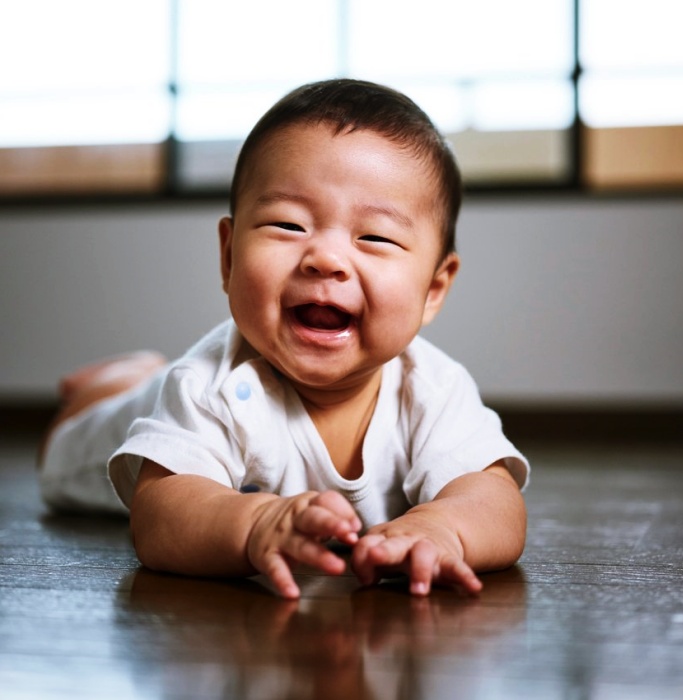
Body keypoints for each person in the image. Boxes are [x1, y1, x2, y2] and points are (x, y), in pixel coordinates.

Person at [40, 79, 529, 600]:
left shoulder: (432, 388)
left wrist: (443, 527)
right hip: (104, 440)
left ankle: (140, 371)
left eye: (375, 237)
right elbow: (160, 517)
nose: (326, 258)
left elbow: (493, 497)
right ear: (228, 257)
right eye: (288, 224)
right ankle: (113, 382)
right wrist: (256, 523)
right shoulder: (208, 385)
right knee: (67, 442)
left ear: (433, 289)